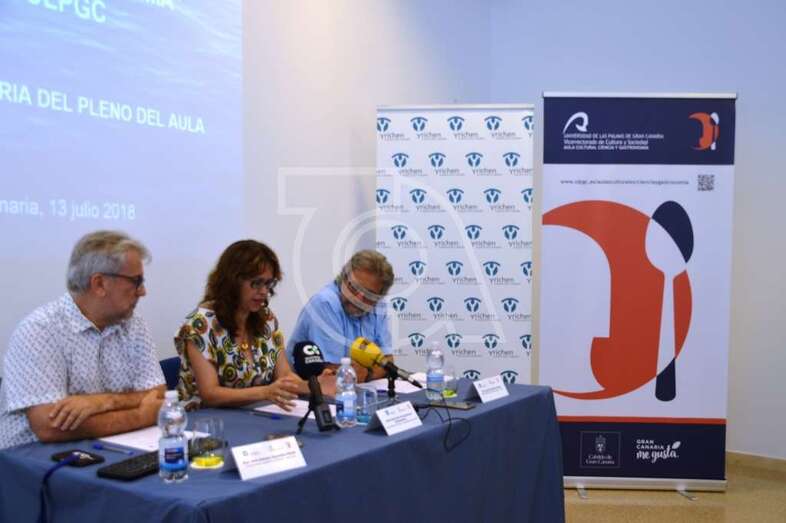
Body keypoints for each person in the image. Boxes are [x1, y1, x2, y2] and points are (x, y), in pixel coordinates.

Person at [0, 231, 165, 450]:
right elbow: (49, 426)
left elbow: (157, 392)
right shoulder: (40, 329)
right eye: (136, 281)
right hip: (30, 461)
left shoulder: (132, 324)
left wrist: (102, 402)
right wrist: (141, 415)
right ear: (99, 284)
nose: (143, 291)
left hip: (103, 447)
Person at [175, 240, 333, 410]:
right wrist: (264, 392)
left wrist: (316, 385)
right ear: (232, 281)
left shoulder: (266, 319)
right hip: (203, 422)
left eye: (268, 283)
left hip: (253, 415)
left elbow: (285, 376)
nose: (264, 291)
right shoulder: (200, 325)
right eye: (256, 283)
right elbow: (210, 394)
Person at [287, 250, 395, 382]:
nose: (357, 298)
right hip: (306, 394)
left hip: (356, 391)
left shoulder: (378, 306)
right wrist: (369, 372)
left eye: (368, 295)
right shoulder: (325, 303)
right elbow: (332, 372)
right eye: (354, 287)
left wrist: (367, 374)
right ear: (344, 277)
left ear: (378, 297)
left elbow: (388, 361)